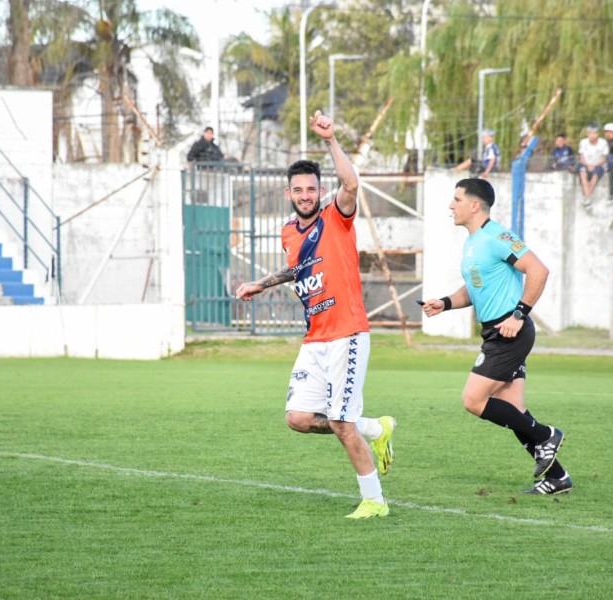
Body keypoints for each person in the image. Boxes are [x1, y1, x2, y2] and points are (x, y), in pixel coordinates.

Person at [235, 110, 396, 519]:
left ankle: (375, 501)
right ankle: (375, 428)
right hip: (315, 339)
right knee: (298, 418)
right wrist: (261, 283)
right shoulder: (289, 232)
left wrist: (330, 140)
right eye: (298, 190)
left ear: (320, 191)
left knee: (341, 423)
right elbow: (298, 268)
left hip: (347, 334)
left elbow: (352, 184)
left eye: (311, 189)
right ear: (288, 193)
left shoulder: (336, 217)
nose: (305, 195)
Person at [420, 178, 571, 495]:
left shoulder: (498, 237)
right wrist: (445, 303)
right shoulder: (473, 243)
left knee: (473, 400)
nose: (451, 205)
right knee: (513, 409)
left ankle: (546, 435)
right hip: (495, 331)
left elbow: (538, 270)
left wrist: (519, 314)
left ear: (474, 205)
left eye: (457, 199)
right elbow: (474, 288)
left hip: (509, 332)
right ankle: (557, 477)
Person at [577, 123, 609, 207]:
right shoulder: (583, 142)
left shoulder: (603, 143)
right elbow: (582, 157)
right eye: (590, 133)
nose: (591, 135)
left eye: (593, 133)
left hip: (598, 165)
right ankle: (588, 198)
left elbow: (603, 158)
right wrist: (587, 165)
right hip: (586, 164)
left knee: (595, 176)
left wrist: (594, 165)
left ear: (597, 134)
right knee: (583, 174)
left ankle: (587, 198)